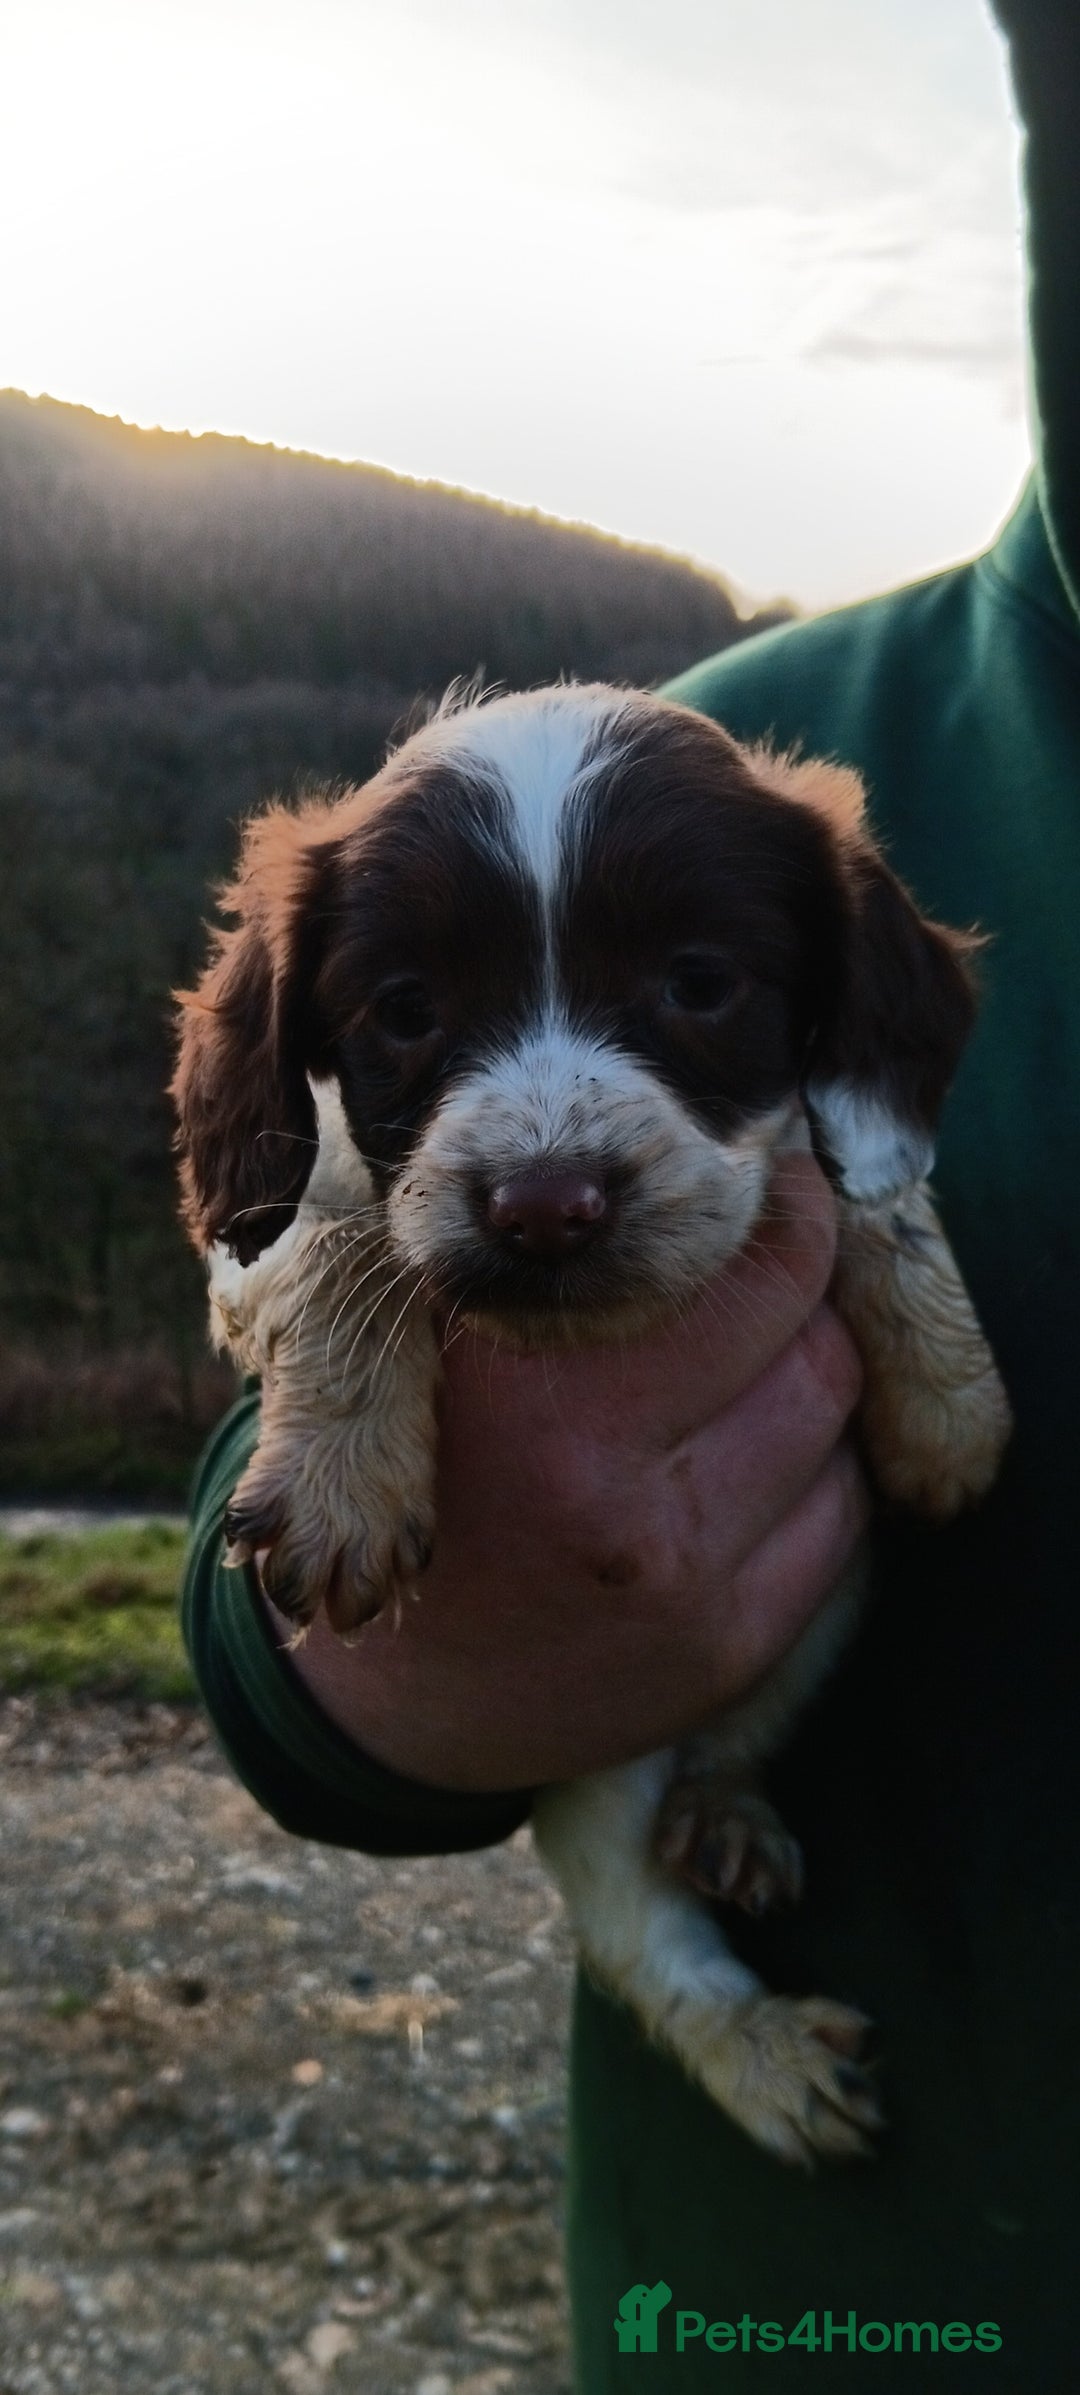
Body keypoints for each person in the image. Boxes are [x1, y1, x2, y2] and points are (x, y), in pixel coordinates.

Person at [182, 2, 1080, 2380]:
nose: (553, 1163)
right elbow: (269, 1304)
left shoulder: (822, 877)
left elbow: (877, 1175)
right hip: (809, 2308)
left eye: (687, 987)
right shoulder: (809, 733)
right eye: (414, 1016)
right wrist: (348, 1650)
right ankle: (699, 1973)